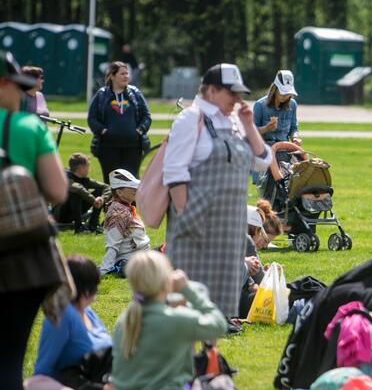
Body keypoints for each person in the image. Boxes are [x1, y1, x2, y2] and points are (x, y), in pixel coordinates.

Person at [163, 63, 272, 318]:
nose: (237, 99)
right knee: (187, 307)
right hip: (197, 226)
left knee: (219, 312)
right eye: (231, 92)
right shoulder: (191, 119)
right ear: (211, 90)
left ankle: (210, 358)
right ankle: (186, 358)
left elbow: (263, 160)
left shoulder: (234, 120)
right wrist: (187, 219)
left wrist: (248, 125)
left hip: (229, 230)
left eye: (239, 94)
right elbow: (174, 173)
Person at [0, 50, 70, 390]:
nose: (24, 96)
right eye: (18, 87)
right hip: (21, 257)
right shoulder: (26, 127)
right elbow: (59, 191)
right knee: (9, 360)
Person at [109, 251, 227, 390]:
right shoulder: (175, 319)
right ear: (166, 281)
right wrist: (188, 289)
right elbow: (219, 324)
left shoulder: (125, 321)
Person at [25, 256, 112, 390]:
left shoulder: (88, 312)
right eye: (95, 283)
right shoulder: (64, 315)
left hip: (93, 386)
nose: (98, 288)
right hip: (61, 384)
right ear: (86, 287)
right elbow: (45, 366)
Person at [87, 61, 152, 179]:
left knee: (131, 183)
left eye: (127, 73)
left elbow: (146, 116)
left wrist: (139, 130)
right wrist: (103, 131)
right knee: (111, 183)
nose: (126, 76)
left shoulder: (135, 93)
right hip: (108, 148)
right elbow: (92, 118)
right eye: (122, 74)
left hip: (133, 147)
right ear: (112, 76)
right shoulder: (102, 95)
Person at [101, 169, 151, 276]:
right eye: (131, 188)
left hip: (142, 256)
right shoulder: (118, 214)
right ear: (119, 192)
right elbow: (112, 245)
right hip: (132, 260)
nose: (135, 189)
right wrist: (105, 270)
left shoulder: (125, 208)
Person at [53, 153, 111, 234]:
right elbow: (78, 188)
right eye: (87, 166)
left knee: (99, 190)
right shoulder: (65, 177)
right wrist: (93, 200)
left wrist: (102, 199)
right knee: (76, 193)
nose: (89, 169)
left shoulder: (84, 179)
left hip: (74, 212)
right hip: (60, 214)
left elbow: (106, 187)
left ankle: (93, 226)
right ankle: (78, 227)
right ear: (81, 168)